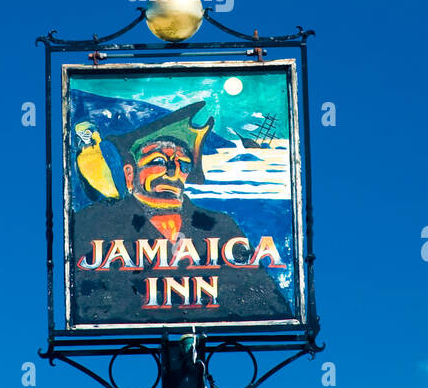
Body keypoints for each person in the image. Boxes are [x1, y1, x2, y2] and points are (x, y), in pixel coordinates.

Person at [70, 102, 294, 325]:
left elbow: (267, 305)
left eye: (183, 164)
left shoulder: (221, 226)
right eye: (158, 161)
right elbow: (89, 303)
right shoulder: (91, 223)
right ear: (129, 174)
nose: (172, 171)